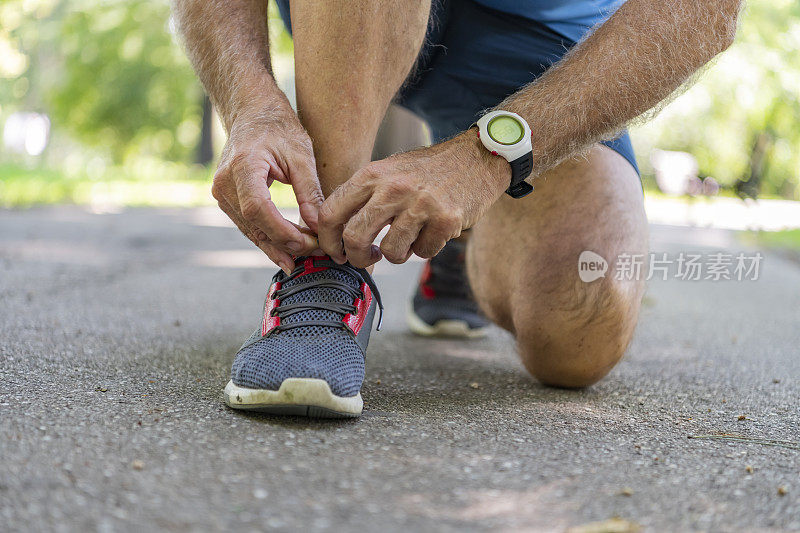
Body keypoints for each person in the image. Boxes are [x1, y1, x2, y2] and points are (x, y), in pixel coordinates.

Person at [172, 0, 741, 417]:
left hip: (544, 45)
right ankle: (327, 270)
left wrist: (482, 162)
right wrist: (250, 103)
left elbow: (707, 11)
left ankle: (456, 239)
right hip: (353, 16)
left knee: (578, 326)